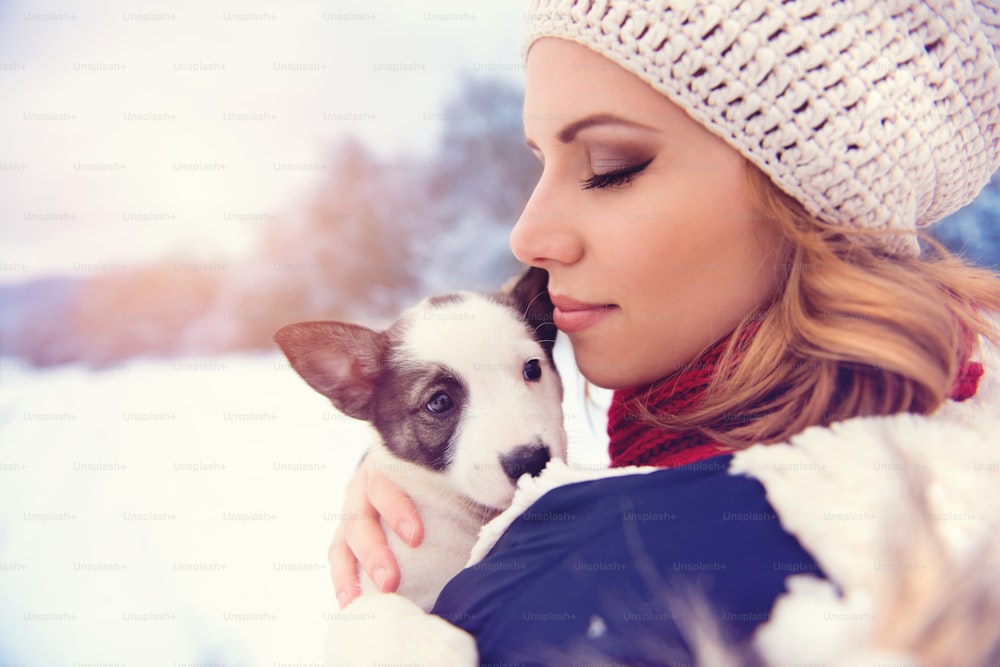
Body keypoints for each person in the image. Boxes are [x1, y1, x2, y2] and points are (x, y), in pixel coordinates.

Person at [330, 1, 1000, 664]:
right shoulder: (959, 436)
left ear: (810, 203)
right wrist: (435, 497)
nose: (527, 234)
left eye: (612, 165)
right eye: (540, 163)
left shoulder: (589, 592)